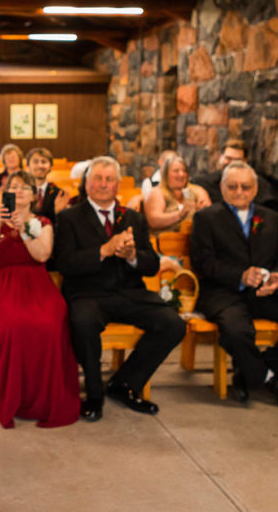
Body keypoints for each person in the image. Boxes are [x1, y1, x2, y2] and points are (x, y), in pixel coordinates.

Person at [189, 162, 278, 413]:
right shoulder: (205, 218)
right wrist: (240, 276)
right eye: (232, 187)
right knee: (236, 332)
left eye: (246, 187)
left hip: (266, 292)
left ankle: (249, 374)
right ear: (222, 188)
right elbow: (204, 263)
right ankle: (272, 383)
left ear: (255, 189)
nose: (239, 192)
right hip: (223, 293)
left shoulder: (271, 218)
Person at [53, 156, 186, 421]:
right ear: (87, 184)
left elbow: (151, 265)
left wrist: (133, 256)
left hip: (130, 293)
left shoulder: (134, 218)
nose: (103, 184)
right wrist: (103, 251)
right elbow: (63, 263)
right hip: (88, 293)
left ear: (117, 185)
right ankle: (93, 395)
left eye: (109, 179)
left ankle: (124, 384)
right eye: (98, 179)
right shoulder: (70, 217)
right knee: (83, 322)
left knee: (173, 324)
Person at [0, 170, 79, 429]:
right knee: (14, 326)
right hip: (4, 287)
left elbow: (42, 255)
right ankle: (15, 397)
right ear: (6, 193)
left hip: (38, 285)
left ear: (34, 195)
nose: (19, 190)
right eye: (14, 186)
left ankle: (45, 399)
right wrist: (1, 223)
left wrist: (24, 230)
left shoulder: (42, 222)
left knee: (50, 323)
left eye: (25, 187)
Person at [193, 139, 278, 214]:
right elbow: (185, 188)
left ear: (246, 161)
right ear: (220, 157)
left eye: (237, 160)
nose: (231, 164)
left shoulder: (259, 183)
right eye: (228, 158)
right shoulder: (204, 183)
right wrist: (199, 190)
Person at [144, 153, 211, 237]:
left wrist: (202, 212)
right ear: (166, 174)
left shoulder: (198, 191)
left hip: (194, 240)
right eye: (176, 171)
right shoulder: (157, 192)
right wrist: (180, 215)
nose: (181, 174)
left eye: (184, 171)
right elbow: (154, 221)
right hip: (167, 243)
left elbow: (210, 216)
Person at [26, 147, 69, 220]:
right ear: (28, 166)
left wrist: (59, 213)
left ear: (50, 167)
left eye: (44, 162)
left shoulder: (58, 193)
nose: (40, 166)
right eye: (35, 162)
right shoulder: (21, 191)